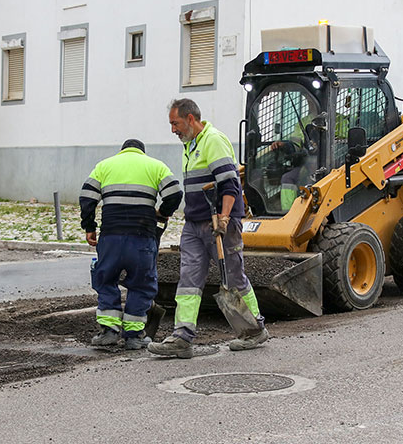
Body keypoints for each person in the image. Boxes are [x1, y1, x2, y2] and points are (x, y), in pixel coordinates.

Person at [148, 98, 269, 359]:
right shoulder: (190, 146)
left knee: (233, 277)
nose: (173, 130)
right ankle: (182, 336)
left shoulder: (213, 140)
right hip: (194, 224)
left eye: (175, 123)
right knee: (188, 280)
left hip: (219, 223)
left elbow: (230, 184)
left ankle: (254, 329)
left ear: (190, 119)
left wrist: (224, 218)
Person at [79, 139, 182, 350]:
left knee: (106, 279)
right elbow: (175, 193)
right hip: (142, 237)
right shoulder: (156, 166)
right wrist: (163, 213)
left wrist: (89, 227)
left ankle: (108, 332)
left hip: (111, 237)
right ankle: (134, 336)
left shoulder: (105, 165)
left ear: (122, 151)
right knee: (142, 284)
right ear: (142, 152)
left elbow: (87, 197)